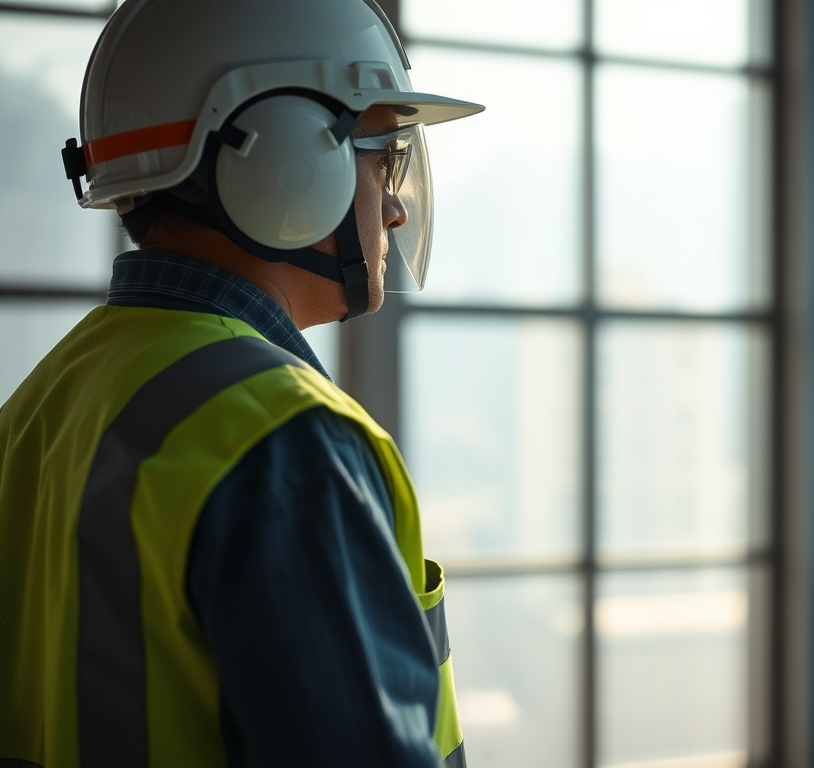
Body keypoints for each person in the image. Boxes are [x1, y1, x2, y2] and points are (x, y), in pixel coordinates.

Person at [0, 1, 484, 765]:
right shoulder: (284, 439)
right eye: (381, 157)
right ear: (284, 155)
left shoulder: (42, 403)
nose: (394, 207)